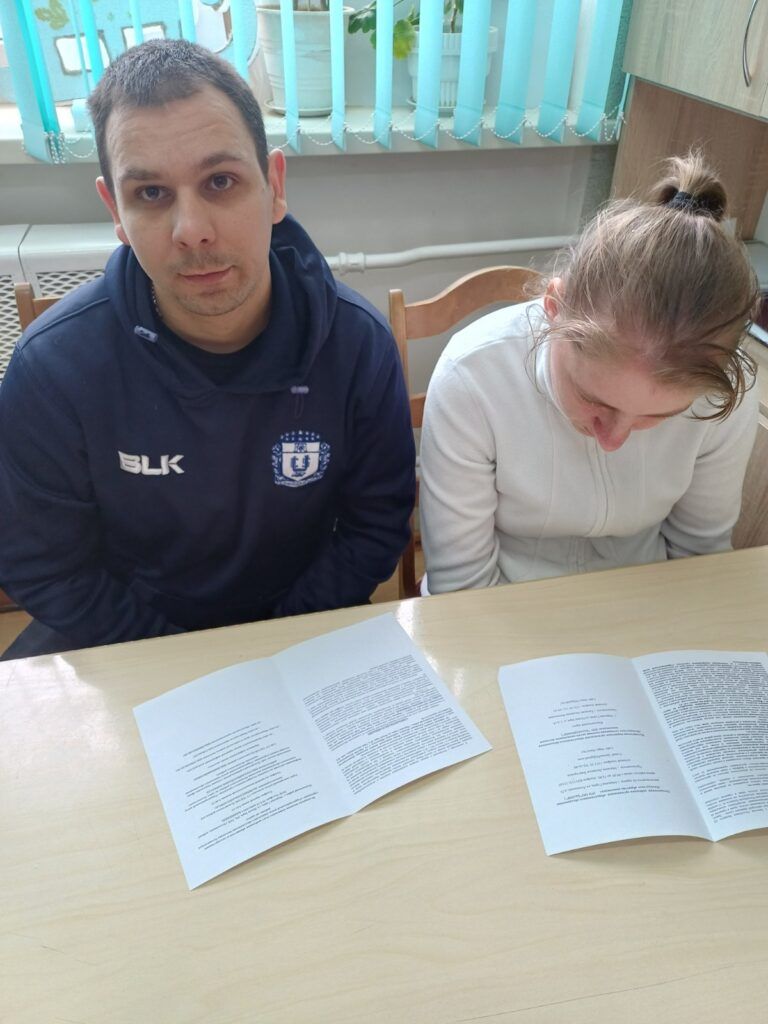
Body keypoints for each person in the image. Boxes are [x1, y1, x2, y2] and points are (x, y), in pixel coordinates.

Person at [0, 38, 415, 658]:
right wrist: (183, 663)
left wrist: (275, 649)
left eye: (221, 181)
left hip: (300, 629)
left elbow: (374, 525)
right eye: (151, 193)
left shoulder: (358, 345)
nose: (191, 230)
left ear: (274, 186)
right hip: (125, 639)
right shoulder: (51, 368)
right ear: (115, 209)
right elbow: (46, 566)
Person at [419, 153, 760, 594]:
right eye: (594, 399)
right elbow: (462, 585)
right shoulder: (472, 379)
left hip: (644, 598)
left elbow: (699, 558)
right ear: (554, 309)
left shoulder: (721, 396)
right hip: (500, 598)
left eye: (658, 417)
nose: (613, 440)